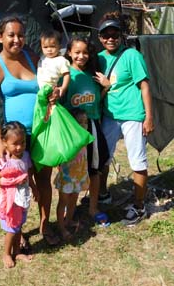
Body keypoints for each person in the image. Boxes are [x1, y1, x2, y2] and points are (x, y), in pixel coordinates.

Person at [0, 16, 60, 247]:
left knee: (44, 180)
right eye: (11, 35)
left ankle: (45, 225)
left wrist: (55, 92)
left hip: (41, 131)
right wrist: (0, 143)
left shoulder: (33, 58)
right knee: (18, 185)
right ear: (0, 37)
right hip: (16, 138)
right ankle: (19, 232)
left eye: (20, 35)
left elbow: (48, 82)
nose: (17, 40)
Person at [94, 13, 154, 226]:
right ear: (100, 37)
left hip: (132, 116)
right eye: (106, 35)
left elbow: (144, 86)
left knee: (137, 160)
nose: (110, 39)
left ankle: (139, 206)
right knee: (103, 159)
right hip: (109, 116)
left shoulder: (132, 56)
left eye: (115, 34)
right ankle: (102, 194)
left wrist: (149, 116)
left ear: (121, 36)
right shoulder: (98, 58)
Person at [61, 36, 110, 227]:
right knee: (69, 170)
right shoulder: (65, 75)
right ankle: (67, 209)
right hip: (71, 130)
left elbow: (97, 100)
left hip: (92, 127)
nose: (81, 56)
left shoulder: (92, 76)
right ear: (69, 53)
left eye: (85, 52)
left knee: (94, 169)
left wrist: (107, 87)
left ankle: (93, 208)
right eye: (77, 52)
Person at [0, 121, 38, 268]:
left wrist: (34, 188)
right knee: (11, 229)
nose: (19, 147)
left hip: (22, 198)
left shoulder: (25, 156)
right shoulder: (4, 159)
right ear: (4, 143)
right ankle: (6, 253)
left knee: (18, 225)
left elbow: (29, 174)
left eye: (23, 142)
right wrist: (14, 180)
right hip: (10, 201)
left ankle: (17, 251)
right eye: (15, 144)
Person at [54, 108, 89, 240]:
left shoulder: (86, 138)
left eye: (85, 122)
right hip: (67, 176)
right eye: (80, 122)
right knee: (63, 201)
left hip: (79, 175)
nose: (84, 125)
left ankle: (68, 220)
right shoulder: (66, 139)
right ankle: (61, 227)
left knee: (74, 199)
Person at [37, 29, 70, 106]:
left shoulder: (61, 60)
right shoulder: (42, 58)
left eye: (52, 46)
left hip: (52, 90)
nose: (49, 50)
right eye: (45, 47)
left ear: (59, 47)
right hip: (40, 90)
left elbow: (66, 75)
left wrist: (63, 88)